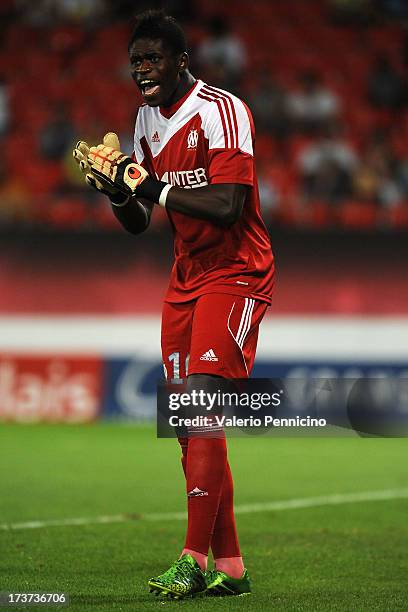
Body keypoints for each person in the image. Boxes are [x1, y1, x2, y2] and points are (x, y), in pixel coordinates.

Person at [73, 9, 274, 599]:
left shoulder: (221, 109)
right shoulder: (142, 121)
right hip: (185, 278)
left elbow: (229, 204)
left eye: (153, 59)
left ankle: (191, 557)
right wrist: (117, 192)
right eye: (136, 62)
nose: (142, 70)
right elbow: (139, 222)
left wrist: (151, 187)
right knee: (189, 424)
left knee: (204, 406)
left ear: (180, 60)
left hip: (237, 272)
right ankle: (230, 566)